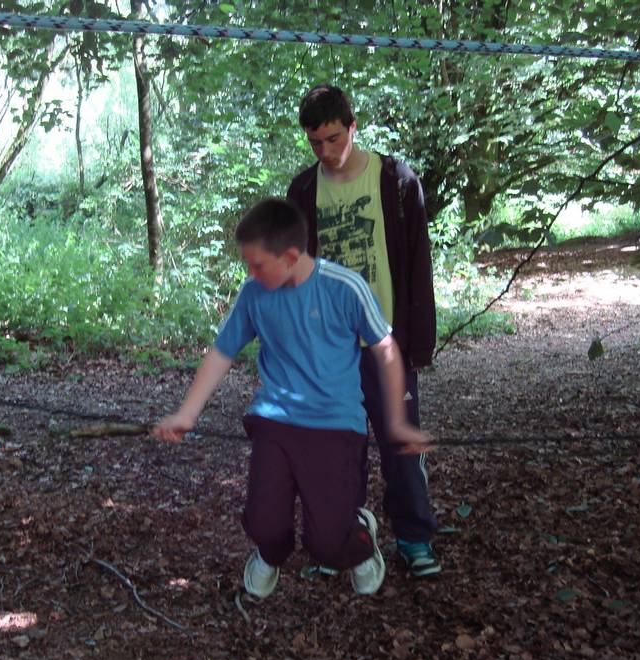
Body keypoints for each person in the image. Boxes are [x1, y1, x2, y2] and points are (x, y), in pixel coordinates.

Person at [152, 197, 430, 599]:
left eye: (258, 264)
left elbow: (385, 350)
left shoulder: (345, 287)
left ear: (291, 256)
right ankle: (269, 553)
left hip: (335, 426)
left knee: (328, 546)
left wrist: (398, 420)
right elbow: (221, 352)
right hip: (276, 422)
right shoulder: (254, 293)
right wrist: (186, 413)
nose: (250, 273)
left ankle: (360, 539)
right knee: (264, 523)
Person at [287, 84, 442, 577]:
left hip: (385, 343)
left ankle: (415, 539)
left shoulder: (395, 181)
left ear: (353, 127)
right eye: (316, 144)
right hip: (330, 349)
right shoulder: (304, 192)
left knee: (401, 446)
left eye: (334, 139)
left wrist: (419, 342)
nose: (326, 153)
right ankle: (343, 542)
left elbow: (419, 263)